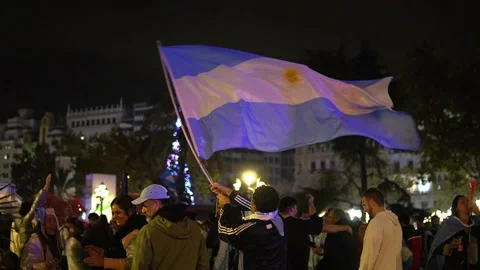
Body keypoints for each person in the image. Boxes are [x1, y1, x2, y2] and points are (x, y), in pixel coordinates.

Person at [130, 184, 208, 270]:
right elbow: (203, 265)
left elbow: (139, 267)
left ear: (156, 204)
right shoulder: (194, 228)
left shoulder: (148, 231)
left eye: (144, 206)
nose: (143, 211)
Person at [212, 183, 287, 270]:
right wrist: (228, 191)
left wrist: (225, 206)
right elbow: (249, 204)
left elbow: (223, 230)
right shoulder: (279, 221)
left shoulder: (249, 230)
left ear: (254, 207)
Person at [279, 196, 352, 270]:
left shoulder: (273, 224)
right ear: (292, 209)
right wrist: (346, 227)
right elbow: (325, 227)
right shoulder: (298, 224)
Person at [84, 195, 146, 270]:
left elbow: (135, 263)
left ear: (129, 212)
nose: (114, 217)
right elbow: (120, 252)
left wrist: (105, 262)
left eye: (118, 213)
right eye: (113, 213)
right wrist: (103, 252)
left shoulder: (135, 232)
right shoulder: (123, 231)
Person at [426, 195, 480, 270]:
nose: (467, 203)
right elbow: (436, 248)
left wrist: (478, 212)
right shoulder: (448, 224)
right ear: (456, 208)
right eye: (463, 202)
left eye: (468, 201)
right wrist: (447, 247)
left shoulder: (476, 223)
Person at [359, 187, 402, 270]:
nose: (364, 210)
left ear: (371, 203)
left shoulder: (376, 223)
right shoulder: (395, 222)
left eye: (364, 205)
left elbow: (368, 256)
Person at [11, 174, 51, 257]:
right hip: (28, 256)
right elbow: (35, 205)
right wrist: (46, 186)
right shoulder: (25, 222)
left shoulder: (18, 222)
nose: (35, 214)